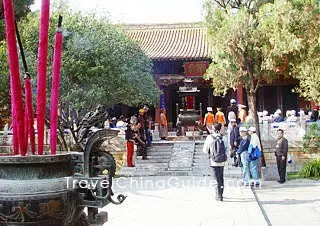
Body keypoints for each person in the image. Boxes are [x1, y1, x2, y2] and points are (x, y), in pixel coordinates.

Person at [203, 123, 227, 201]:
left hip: (213, 161)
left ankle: (218, 195)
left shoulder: (209, 137)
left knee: (216, 178)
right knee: (221, 178)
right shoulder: (224, 138)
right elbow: (226, 148)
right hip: (222, 161)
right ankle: (221, 194)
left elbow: (205, 150)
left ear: (213, 128)